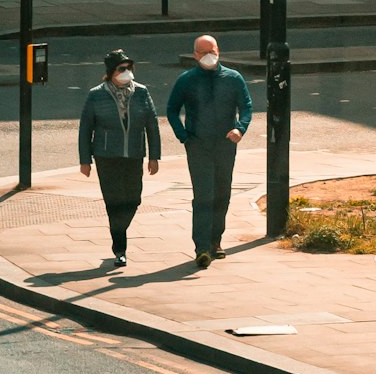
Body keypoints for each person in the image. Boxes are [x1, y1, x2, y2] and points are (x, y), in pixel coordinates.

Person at [165, 33, 252, 271]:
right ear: (195, 55)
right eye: (202, 52)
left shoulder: (233, 78)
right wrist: (184, 137)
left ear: (219, 51)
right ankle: (201, 247)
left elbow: (246, 107)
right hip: (199, 146)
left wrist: (239, 129)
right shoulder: (187, 80)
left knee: (222, 193)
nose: (208, 56)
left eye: (211, 51)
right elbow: (172, 110)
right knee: (204, 195)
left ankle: (216, 241)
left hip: (225, 145)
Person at [78, 48, 161, 267]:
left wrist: (155, 156)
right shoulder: (96, 94)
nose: (127, 72)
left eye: (129, 68)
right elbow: (85, 127)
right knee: (114, 203)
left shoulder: (141, 92)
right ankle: (120, 249)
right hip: (106, 156)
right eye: (122, 69)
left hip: (134, 154)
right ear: (111, 72)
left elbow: (152, 124)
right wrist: (84, 160)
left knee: (134, 199)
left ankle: (119, 229)